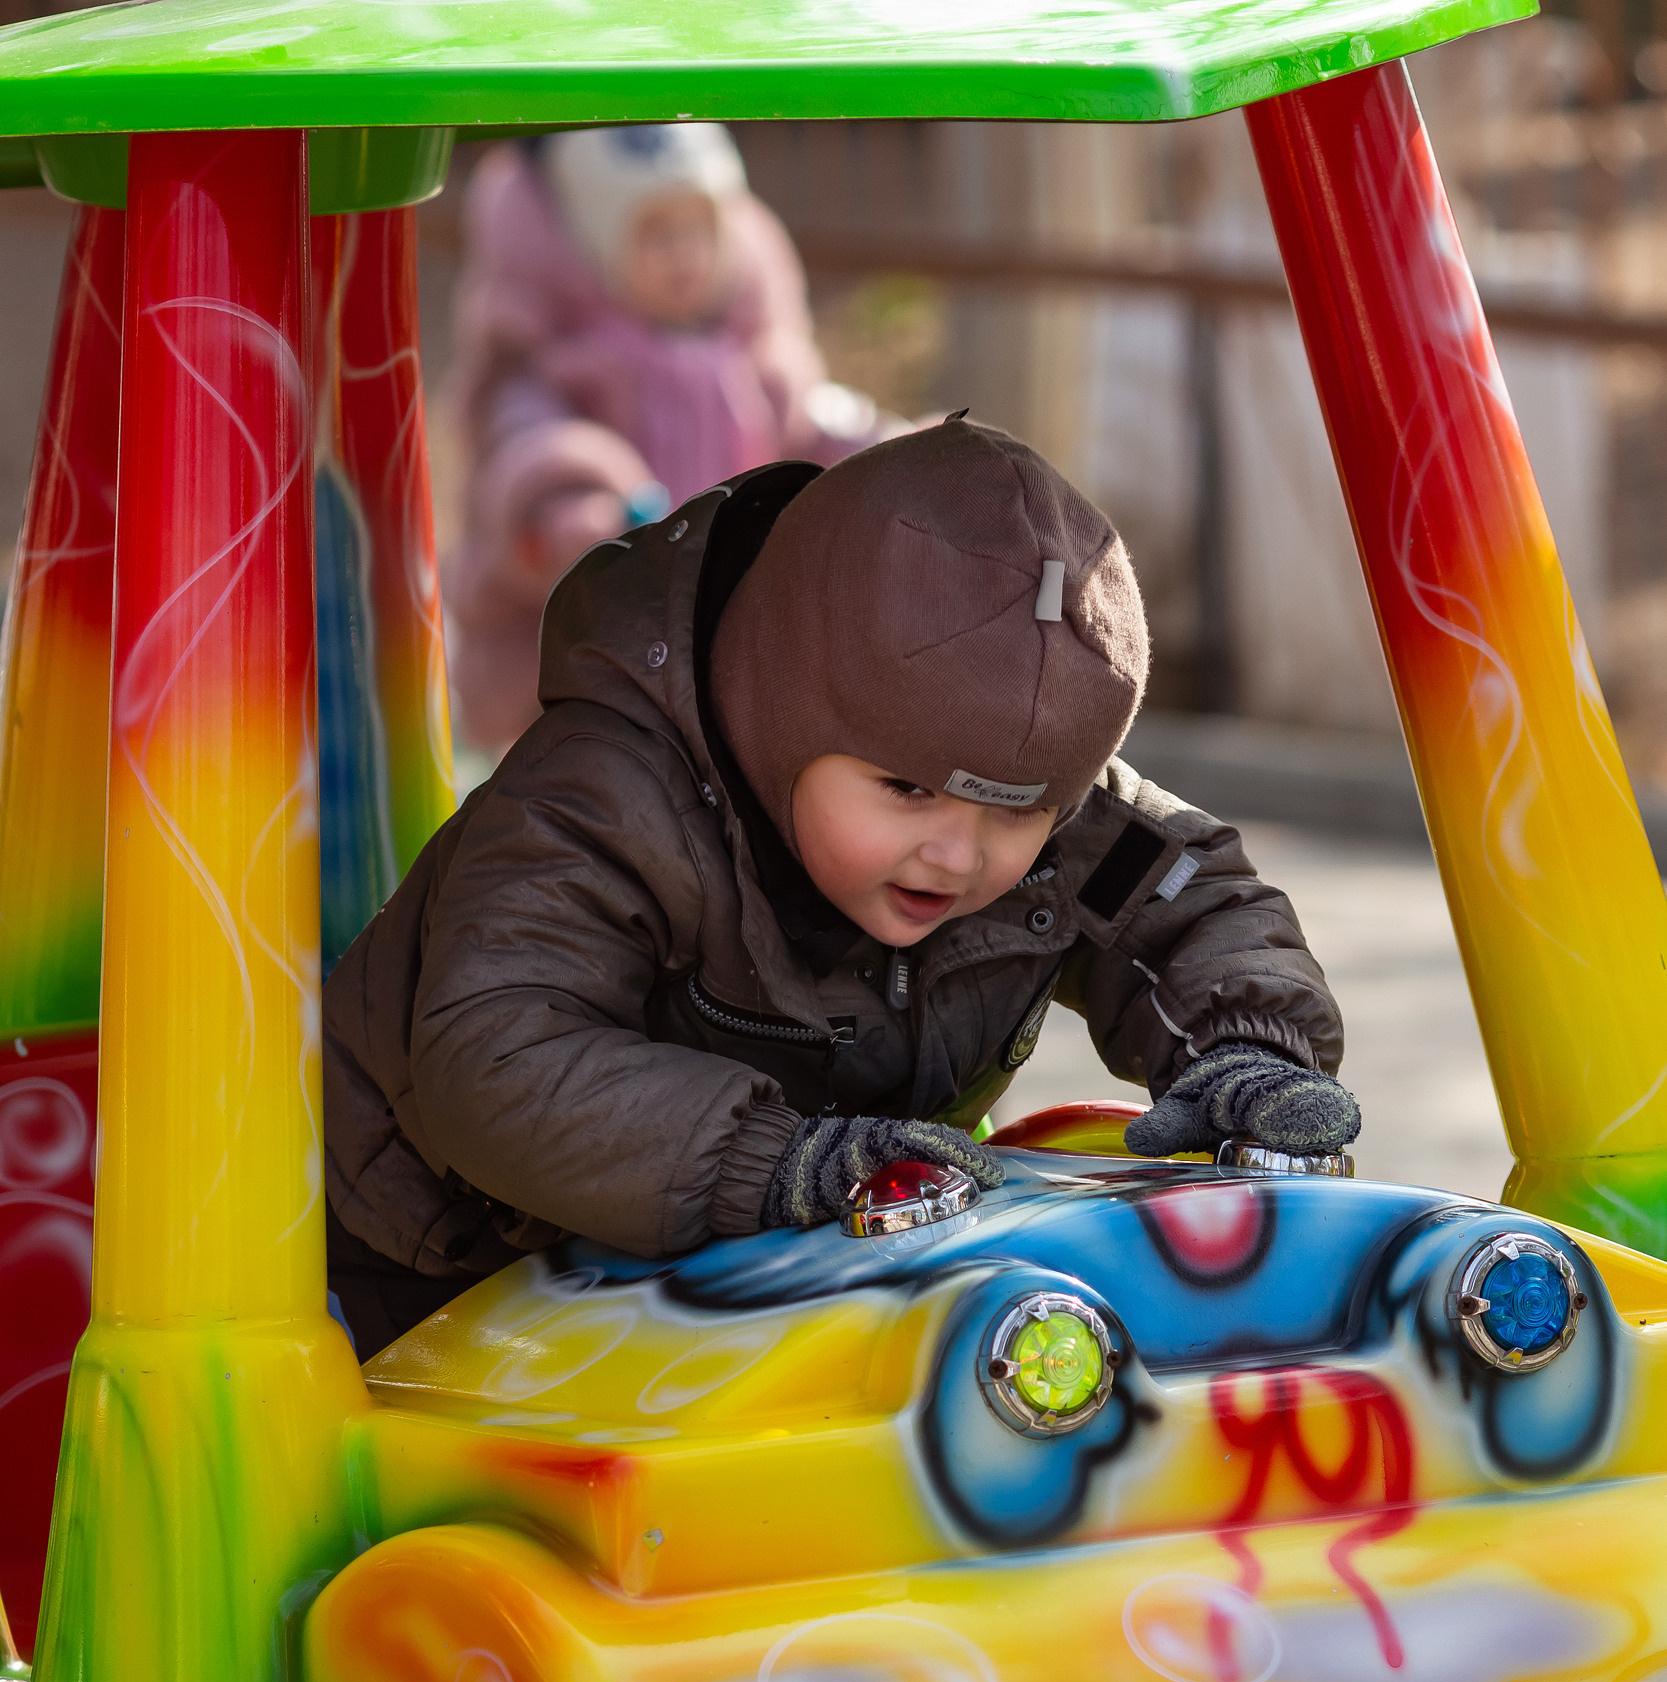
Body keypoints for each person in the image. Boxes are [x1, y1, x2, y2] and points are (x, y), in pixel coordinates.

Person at [324, 418, 1358, 1361]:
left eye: (1014, 814)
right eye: (903, 791)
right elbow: (499, 1052)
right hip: (432, 1264)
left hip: (740, 1265)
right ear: (782, 714)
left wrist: (1244, 1056)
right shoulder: (606, 803)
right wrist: (775, 1164)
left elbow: (1186, 897)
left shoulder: (1045, 815)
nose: (955, 855)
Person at [445, 120, 902, 753]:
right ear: (591, 243)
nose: (683, 253)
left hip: (718, 637)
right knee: (589, 776)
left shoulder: (751, 360)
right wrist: (576, 503)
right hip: (583, 649)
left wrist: (893, 460)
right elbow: (526, 435)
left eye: (700, 230)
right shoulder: (567, 360)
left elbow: (811, 424)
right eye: (655, 233)